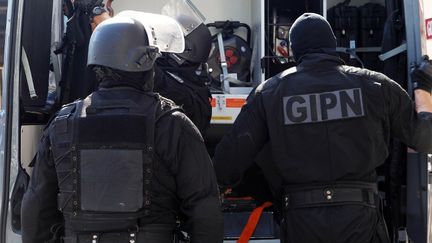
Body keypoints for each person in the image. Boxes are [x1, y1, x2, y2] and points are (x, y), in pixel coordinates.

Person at [212, 13, 432, 243]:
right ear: (333, 45)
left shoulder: (268, 94)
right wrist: (422, 86)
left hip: (302, 222)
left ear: (294, 50)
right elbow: (424, 137)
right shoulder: (376, 84)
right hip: (361, 219)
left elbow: (227, 163)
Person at [21, 13, 223, 243]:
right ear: (147, 64)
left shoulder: (61, 124)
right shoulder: (173, 123)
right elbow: (205, 208)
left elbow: (36, 209)